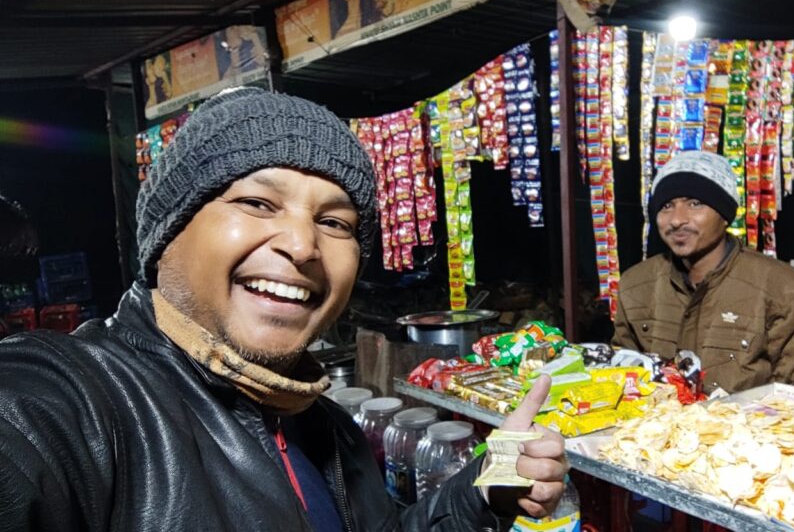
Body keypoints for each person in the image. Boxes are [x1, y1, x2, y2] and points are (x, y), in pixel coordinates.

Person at [0, 87, 568, 531]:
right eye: (255, 202)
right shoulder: (68, 405)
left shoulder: (329, 430)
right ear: (168, 234)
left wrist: (480, 491)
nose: (302, 245)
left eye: (335, 223)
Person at [613, 150, 794, 396]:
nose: (677, 220)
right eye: (666, 206)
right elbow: (620, 372)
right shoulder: (637, 285)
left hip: (750, 432)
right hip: (656, 431)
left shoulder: (786, 290)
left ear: (725, 215)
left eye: (695, 203)